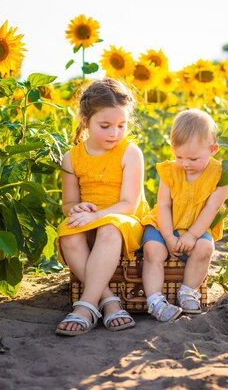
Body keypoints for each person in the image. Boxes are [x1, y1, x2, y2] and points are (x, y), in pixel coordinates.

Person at [55, 78, 149, 337]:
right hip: (93, 218)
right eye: (105, 126)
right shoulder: (72, 158)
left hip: (124, 220)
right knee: (68, 234)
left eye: (122, 125)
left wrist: (96, 216)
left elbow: (129, 205)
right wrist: (77, 209)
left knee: (109, 229)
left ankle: (84, 308)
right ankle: (109, 301)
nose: (114, 133)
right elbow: (69, 204)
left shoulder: (130, 153)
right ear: (85, 120)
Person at [140, 108, 228, 322]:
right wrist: (169, 236)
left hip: (197, 227)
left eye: (193, 158)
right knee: (153, 251)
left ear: (213, 149)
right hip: (163, 225)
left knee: (205, 248)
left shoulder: (220, 175)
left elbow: (211, 209)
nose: (185, 164)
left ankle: (188, 292)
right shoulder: (171, 171)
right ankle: (154, 300)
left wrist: (191, 235)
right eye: (179, 156)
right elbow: (163, 205)